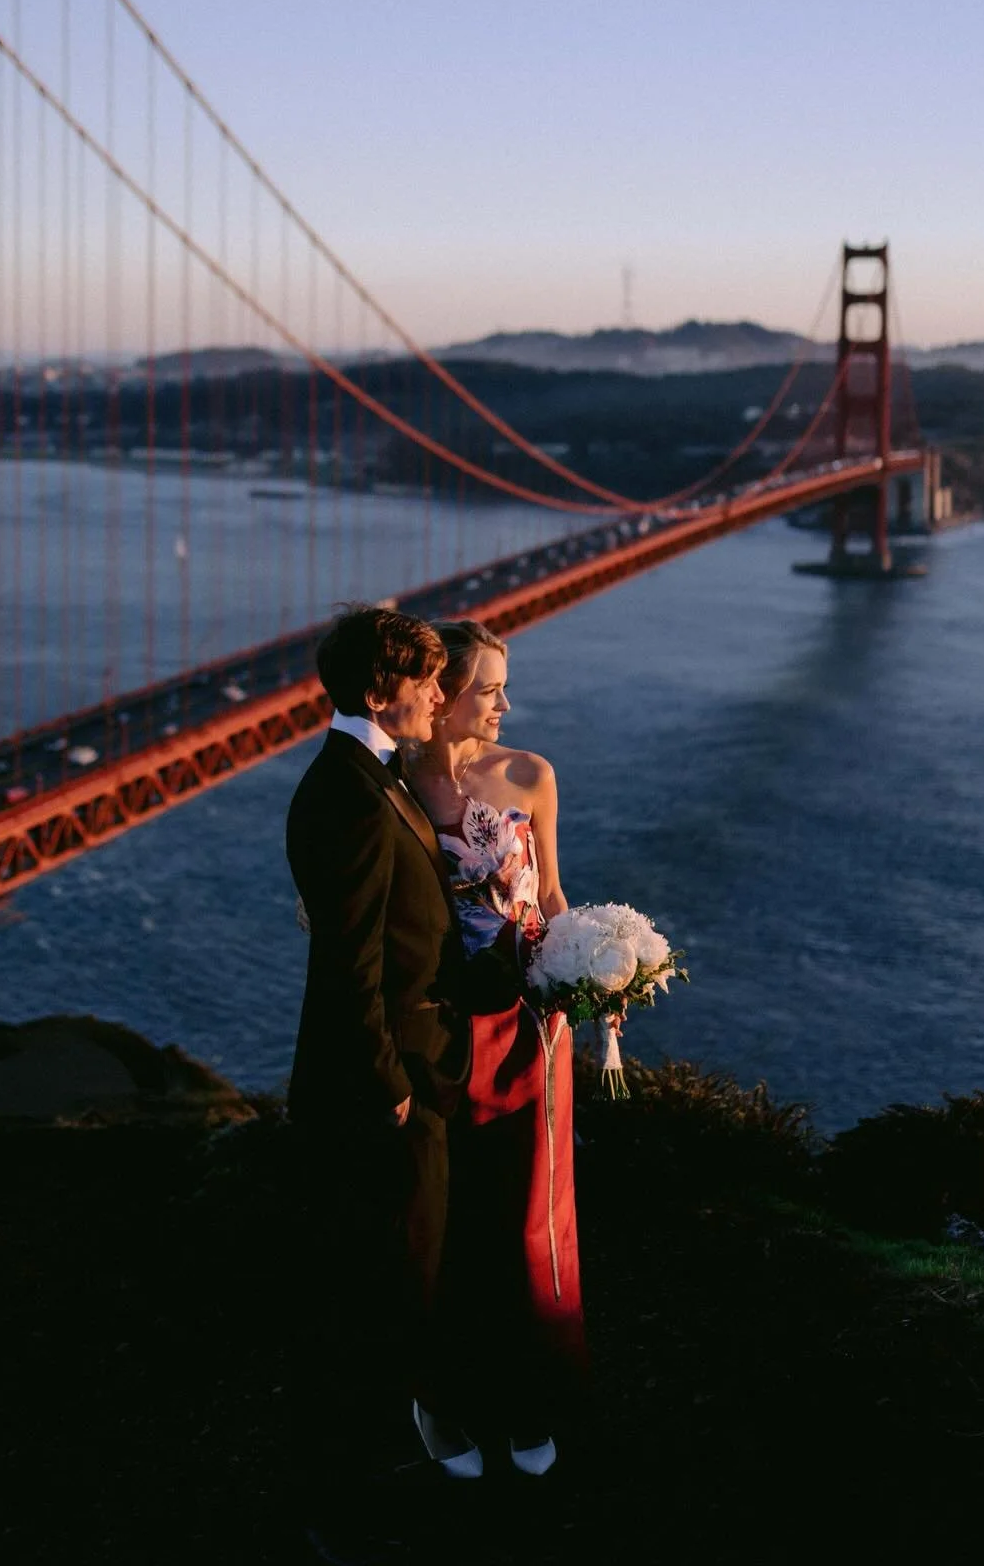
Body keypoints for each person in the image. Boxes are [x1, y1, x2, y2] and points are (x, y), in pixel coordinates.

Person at [285, 604, 478, 1539]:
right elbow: (348, 962)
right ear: (377, 690)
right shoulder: (352, 795)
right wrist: (389, 1083)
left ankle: (372, 1473)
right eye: (428, 679)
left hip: (405, 1073)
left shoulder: (371, 776)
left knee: (403, 1281)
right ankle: (350, 1505)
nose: (442, 695)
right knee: (382, 1293)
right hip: (380, 1093)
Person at [406, 619, 588, 1476]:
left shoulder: (531, 775)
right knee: (449, 1225)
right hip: (441, 1032)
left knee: (528, 1218)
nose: (506, 705)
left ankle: (530, 1394)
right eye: (489, 689)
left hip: (528, 1028)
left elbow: (548, 891)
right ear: (441, 699)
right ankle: (439, 1400)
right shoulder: (393, 786)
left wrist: (591, 977)